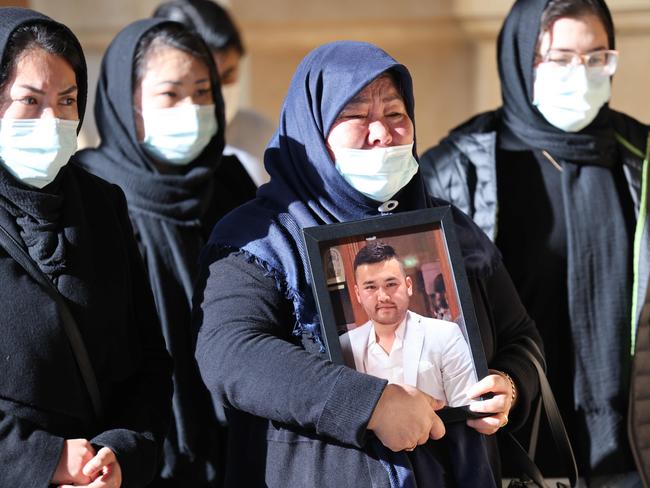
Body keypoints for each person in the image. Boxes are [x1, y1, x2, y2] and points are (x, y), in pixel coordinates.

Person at [194, 40, 544, 487]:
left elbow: (521, 336)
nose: (381, 132)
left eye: (395, 114)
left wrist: (509, 386)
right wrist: (369, 404)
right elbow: (232, 353)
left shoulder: (451, 229)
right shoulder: (261, 238)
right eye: (356, 116)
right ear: (312, 131)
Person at [419, 0, 650, 485]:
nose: (581, 74)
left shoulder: (638, 157)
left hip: (627, 445)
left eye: (596, 58)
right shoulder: (461, 168)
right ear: (522, 58)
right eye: (561, 58)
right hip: (514, 438)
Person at [73, 18, 255, 487]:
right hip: (132, 457)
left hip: (242, 441)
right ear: (124, 102)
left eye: (202, 92)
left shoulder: (229, 183)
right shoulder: (88, 195)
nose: (192, 109)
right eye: (170, 95)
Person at [0, 7, 172, 487]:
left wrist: (117, 454)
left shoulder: (100, 205)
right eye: (30, 101)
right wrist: (44, 461)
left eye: (68, 100)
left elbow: (149, 363)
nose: (53, 119)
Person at [340, 241, 477, 407]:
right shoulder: (344, 345)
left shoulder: (445, 335)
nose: (383, 296)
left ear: (409, 286)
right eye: (370, 287)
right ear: (358, 294)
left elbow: (469, 407)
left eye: (391, 284)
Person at [153, 0, 274, 186]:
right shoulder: (155, 141)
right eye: (204, 84)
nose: (218, 91)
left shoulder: (266, 137)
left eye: (227, 75)